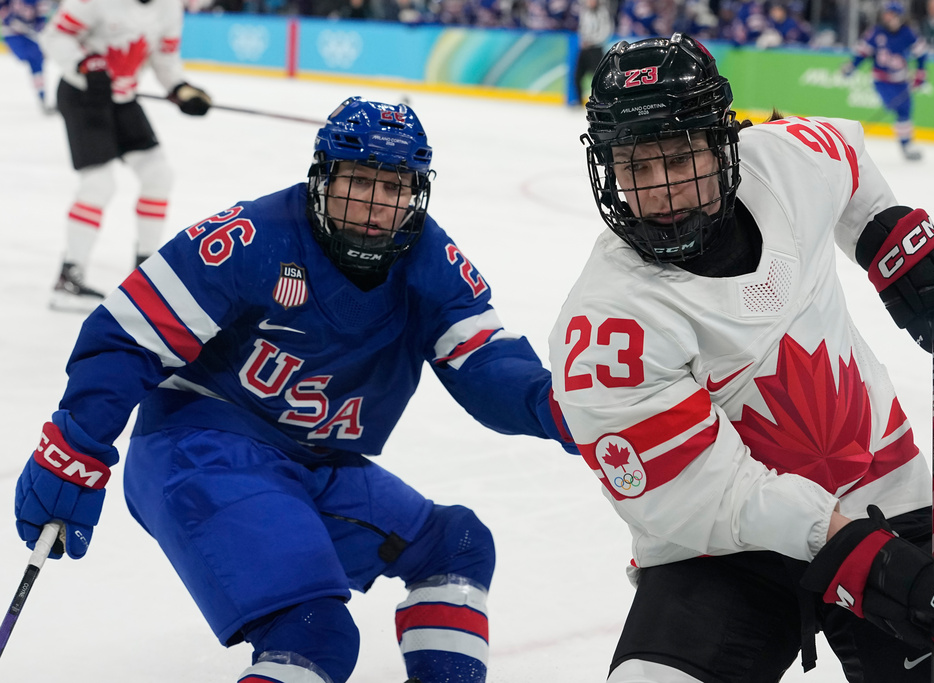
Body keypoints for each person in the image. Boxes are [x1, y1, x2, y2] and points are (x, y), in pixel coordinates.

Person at [14, 96, 577, 683]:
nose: (375, 207)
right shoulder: (253, 236)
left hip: (313, 462)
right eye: (358, 182)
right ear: (322, 178)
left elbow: (485, 361)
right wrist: (76, 444)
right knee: (313, 634)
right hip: (201, 447)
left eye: (394, 190)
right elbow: (127, 335)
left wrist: (561, 405)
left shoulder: (429, 257)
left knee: (456, 544)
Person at [550, 33, 934, 682]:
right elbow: (712, 496)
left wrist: (891, 239)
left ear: (721, 142)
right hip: (723, 547)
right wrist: (855, 556)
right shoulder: (606, 326)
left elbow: (847, 158)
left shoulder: (784, 163)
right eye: (635, 167)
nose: (660, 190)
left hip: (876, 486)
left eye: (678, 159)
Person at [39, 0, 213, 312]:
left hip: (123, 98)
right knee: (99, 184)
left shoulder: (169, 8)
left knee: (158, 176)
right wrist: (84, 62)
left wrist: (181, 89)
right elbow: (53, 36)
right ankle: (68, 278)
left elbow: (164, 58)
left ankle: (145, 278)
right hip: (83, 97)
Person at [841, 1, 929, 161]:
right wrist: (851, 66)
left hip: (901, 80)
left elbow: (921, 53)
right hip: (882, 80)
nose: (886, 18)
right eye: (886, 14)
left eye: (890, 15)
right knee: (895, 105)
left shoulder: (908, 33)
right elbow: (862, 52)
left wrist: (920, 73)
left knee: (905, 110)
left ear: (899, 17)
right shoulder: (876, 32)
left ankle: (906, 145)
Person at [0, 0, 52, 111]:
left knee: (37, 63)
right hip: (12, 34)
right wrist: (9, 19)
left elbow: (42, 18)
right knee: (30, 56)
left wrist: (37, 28)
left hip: (30, 35)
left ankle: (42, 96)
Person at [572, 0, 614, 105]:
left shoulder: (603, 13)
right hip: (584, 49)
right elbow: (582, 28)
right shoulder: (584, 12)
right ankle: (578, 101)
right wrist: (583, 40)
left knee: (599, 78)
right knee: (577, 76)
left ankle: (602, 101)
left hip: (595, 49)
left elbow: (606, 31)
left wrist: (592, 41)